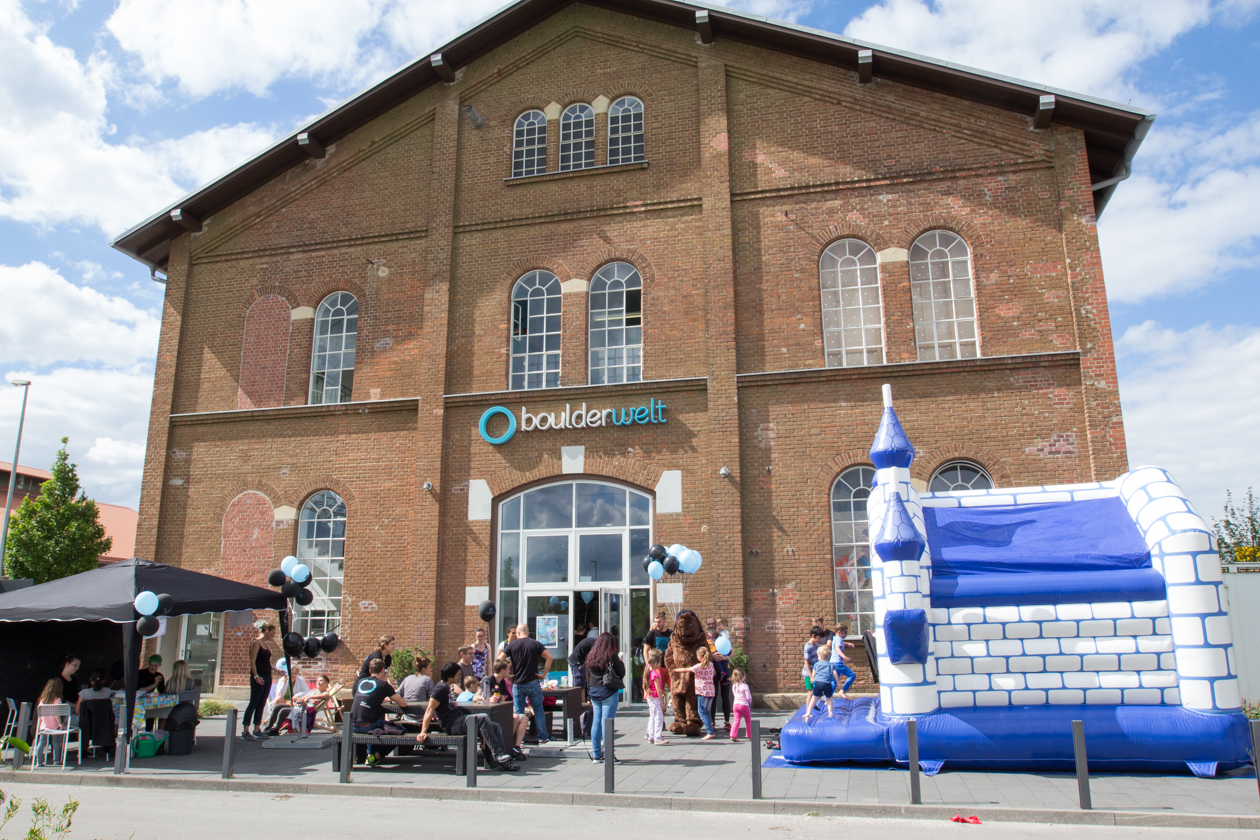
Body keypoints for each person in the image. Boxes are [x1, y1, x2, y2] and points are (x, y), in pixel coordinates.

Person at [417, 662, 521, 770]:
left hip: (459, 719)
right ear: (450, 676)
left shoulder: (448, 687)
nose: (459, 677)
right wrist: (423, 732)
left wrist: (452, 705)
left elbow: (445, 706)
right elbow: (430, 709)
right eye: (458, 675)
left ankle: (503, 761)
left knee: (495, 726)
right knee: (483, 717)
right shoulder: (440, 688)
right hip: (453, 725)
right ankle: (499, 755)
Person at [352, 659, 408, 766]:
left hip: (353, 725)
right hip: (369, 725)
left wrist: (380, 699)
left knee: (375, 725)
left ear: (369, 670)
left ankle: (370, 755)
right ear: (383, 670)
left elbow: (367, 697)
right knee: (401, 730)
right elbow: (403, 704)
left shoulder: (361, 681)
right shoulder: (383, 685)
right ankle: (377, 755)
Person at [504, 622, 552, 744]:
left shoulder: (512, 645)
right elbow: (549, 657)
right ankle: (542, 736)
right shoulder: (535, 644)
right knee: (538, 710)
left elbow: (499, 659)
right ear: (528, 632)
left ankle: (521, 739)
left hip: (518, 683)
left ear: (518, 633)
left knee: (519, 712)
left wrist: (507, 675)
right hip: (533, 681)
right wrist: (543, 674)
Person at [583, 632, 625, 763]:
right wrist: (620, 662)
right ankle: (609, 755)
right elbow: (621, 673)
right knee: (607, 723)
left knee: (596, 722)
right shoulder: (611, 656)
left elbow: (589, 677)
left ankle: (597, 754)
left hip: (595, 692)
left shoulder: (591, 656)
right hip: (608, 692)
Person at [243, 621, 283, 741]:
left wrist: (277, 670)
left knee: (261, 704)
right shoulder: (256, 643)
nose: (273, 636)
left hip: (267, 677)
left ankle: (257, 729)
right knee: (253, 703)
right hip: (259, 677)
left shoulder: (266, 645)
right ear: (266, 631)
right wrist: (256, 676)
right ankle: (245, 730)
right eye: (272, 633)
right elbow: (252, 661)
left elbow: (267, 662)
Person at [676, 645, 717, 740]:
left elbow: (686, 670)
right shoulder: (711, 664)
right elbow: (714, 673)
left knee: (702, 712)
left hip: (702, 692)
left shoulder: (699, 666)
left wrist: (675, 670)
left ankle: (710, 731)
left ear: (700, 657)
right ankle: (710, 729)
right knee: (707, 712)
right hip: (711, 692)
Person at [706, 617, 733, 730]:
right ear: (706, 625)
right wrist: (712, 657)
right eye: (709, 624)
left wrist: (725, 656)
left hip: (725, 669)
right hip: (712, 672)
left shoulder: (722, 636)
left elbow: (732, 653)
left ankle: (727, 721)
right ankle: (712, 721)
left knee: (725, 696)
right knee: (713, 696)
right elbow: (699, 655)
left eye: (713, 624)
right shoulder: (703, 638)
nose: (711, 626)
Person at [35, 678, 67, 765]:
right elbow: (57, 714)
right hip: (54, 727)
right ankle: (56, 760)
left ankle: (39, 761)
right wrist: (60, 724)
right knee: (56, 743)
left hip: (44, 727)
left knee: (41, 743)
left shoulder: (42, 701)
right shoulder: (57, 700)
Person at [643, 648, 669, 746]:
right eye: (659, 663)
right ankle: (658, 737)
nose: (660, 665)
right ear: (655, 663)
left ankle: (651, 736)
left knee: (652, 716)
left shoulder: (648, 671)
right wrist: (662, 702)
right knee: (659, 717)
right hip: (655, 698)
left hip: (650, 697)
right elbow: (658, 690)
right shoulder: (655, 674)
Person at [806, 643, 835, 721]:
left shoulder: (816, 664)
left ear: (820, 657)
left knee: (814, 698)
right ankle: (830, 712)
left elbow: (814, 673)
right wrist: (837, 683)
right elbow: (835, 673)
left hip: (818, 683)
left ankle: (808, 712)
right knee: (829, 699)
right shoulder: (831, 664)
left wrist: (812, 678)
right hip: (827, 684)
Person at [829, 622, 857, 699]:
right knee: (852, 675)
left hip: (832, 662)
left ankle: (828, 698)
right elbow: (837, 648)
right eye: (845, 633)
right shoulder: (839, 639)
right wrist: (845, 657)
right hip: (838, 663)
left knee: (834, 682)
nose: (846, 635)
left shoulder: (835, 638)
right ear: (839, 632)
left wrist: (847, 644)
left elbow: (838, 644)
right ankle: (843, 691)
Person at [569, 626, 599, 692]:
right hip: (576, 661)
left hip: (579, 660)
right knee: (579, 684)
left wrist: (586, 674)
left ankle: (581, 701)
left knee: (582, 684)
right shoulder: (595, 643)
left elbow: (587, 659)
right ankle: (578, 702)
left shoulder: (593, 641)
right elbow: (590, 658)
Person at [730, 669, 753, 742]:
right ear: (743, 676)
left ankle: (733, 735)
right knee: (748, 721)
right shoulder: (745, 686)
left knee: (736, 720)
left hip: (736, 705)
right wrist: (750, 702)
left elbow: (734, 695)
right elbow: (748, 697)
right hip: (744, 705)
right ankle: (749, 736)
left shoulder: (734, 685)